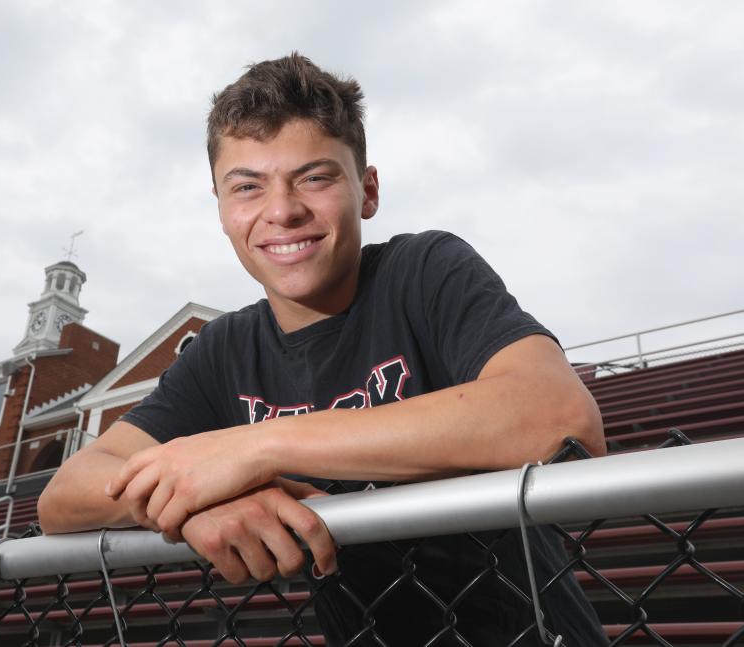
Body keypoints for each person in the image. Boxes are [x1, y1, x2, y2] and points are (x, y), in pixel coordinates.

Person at [38, 53, 608, 645]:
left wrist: (255, 448)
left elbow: (557, 416)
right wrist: (194, 503)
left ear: (367, 189)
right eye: (248, 187)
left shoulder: (422, 271)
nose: (282, 211)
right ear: (222, 209)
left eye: (314, 177)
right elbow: (64, 495)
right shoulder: (224, 349)